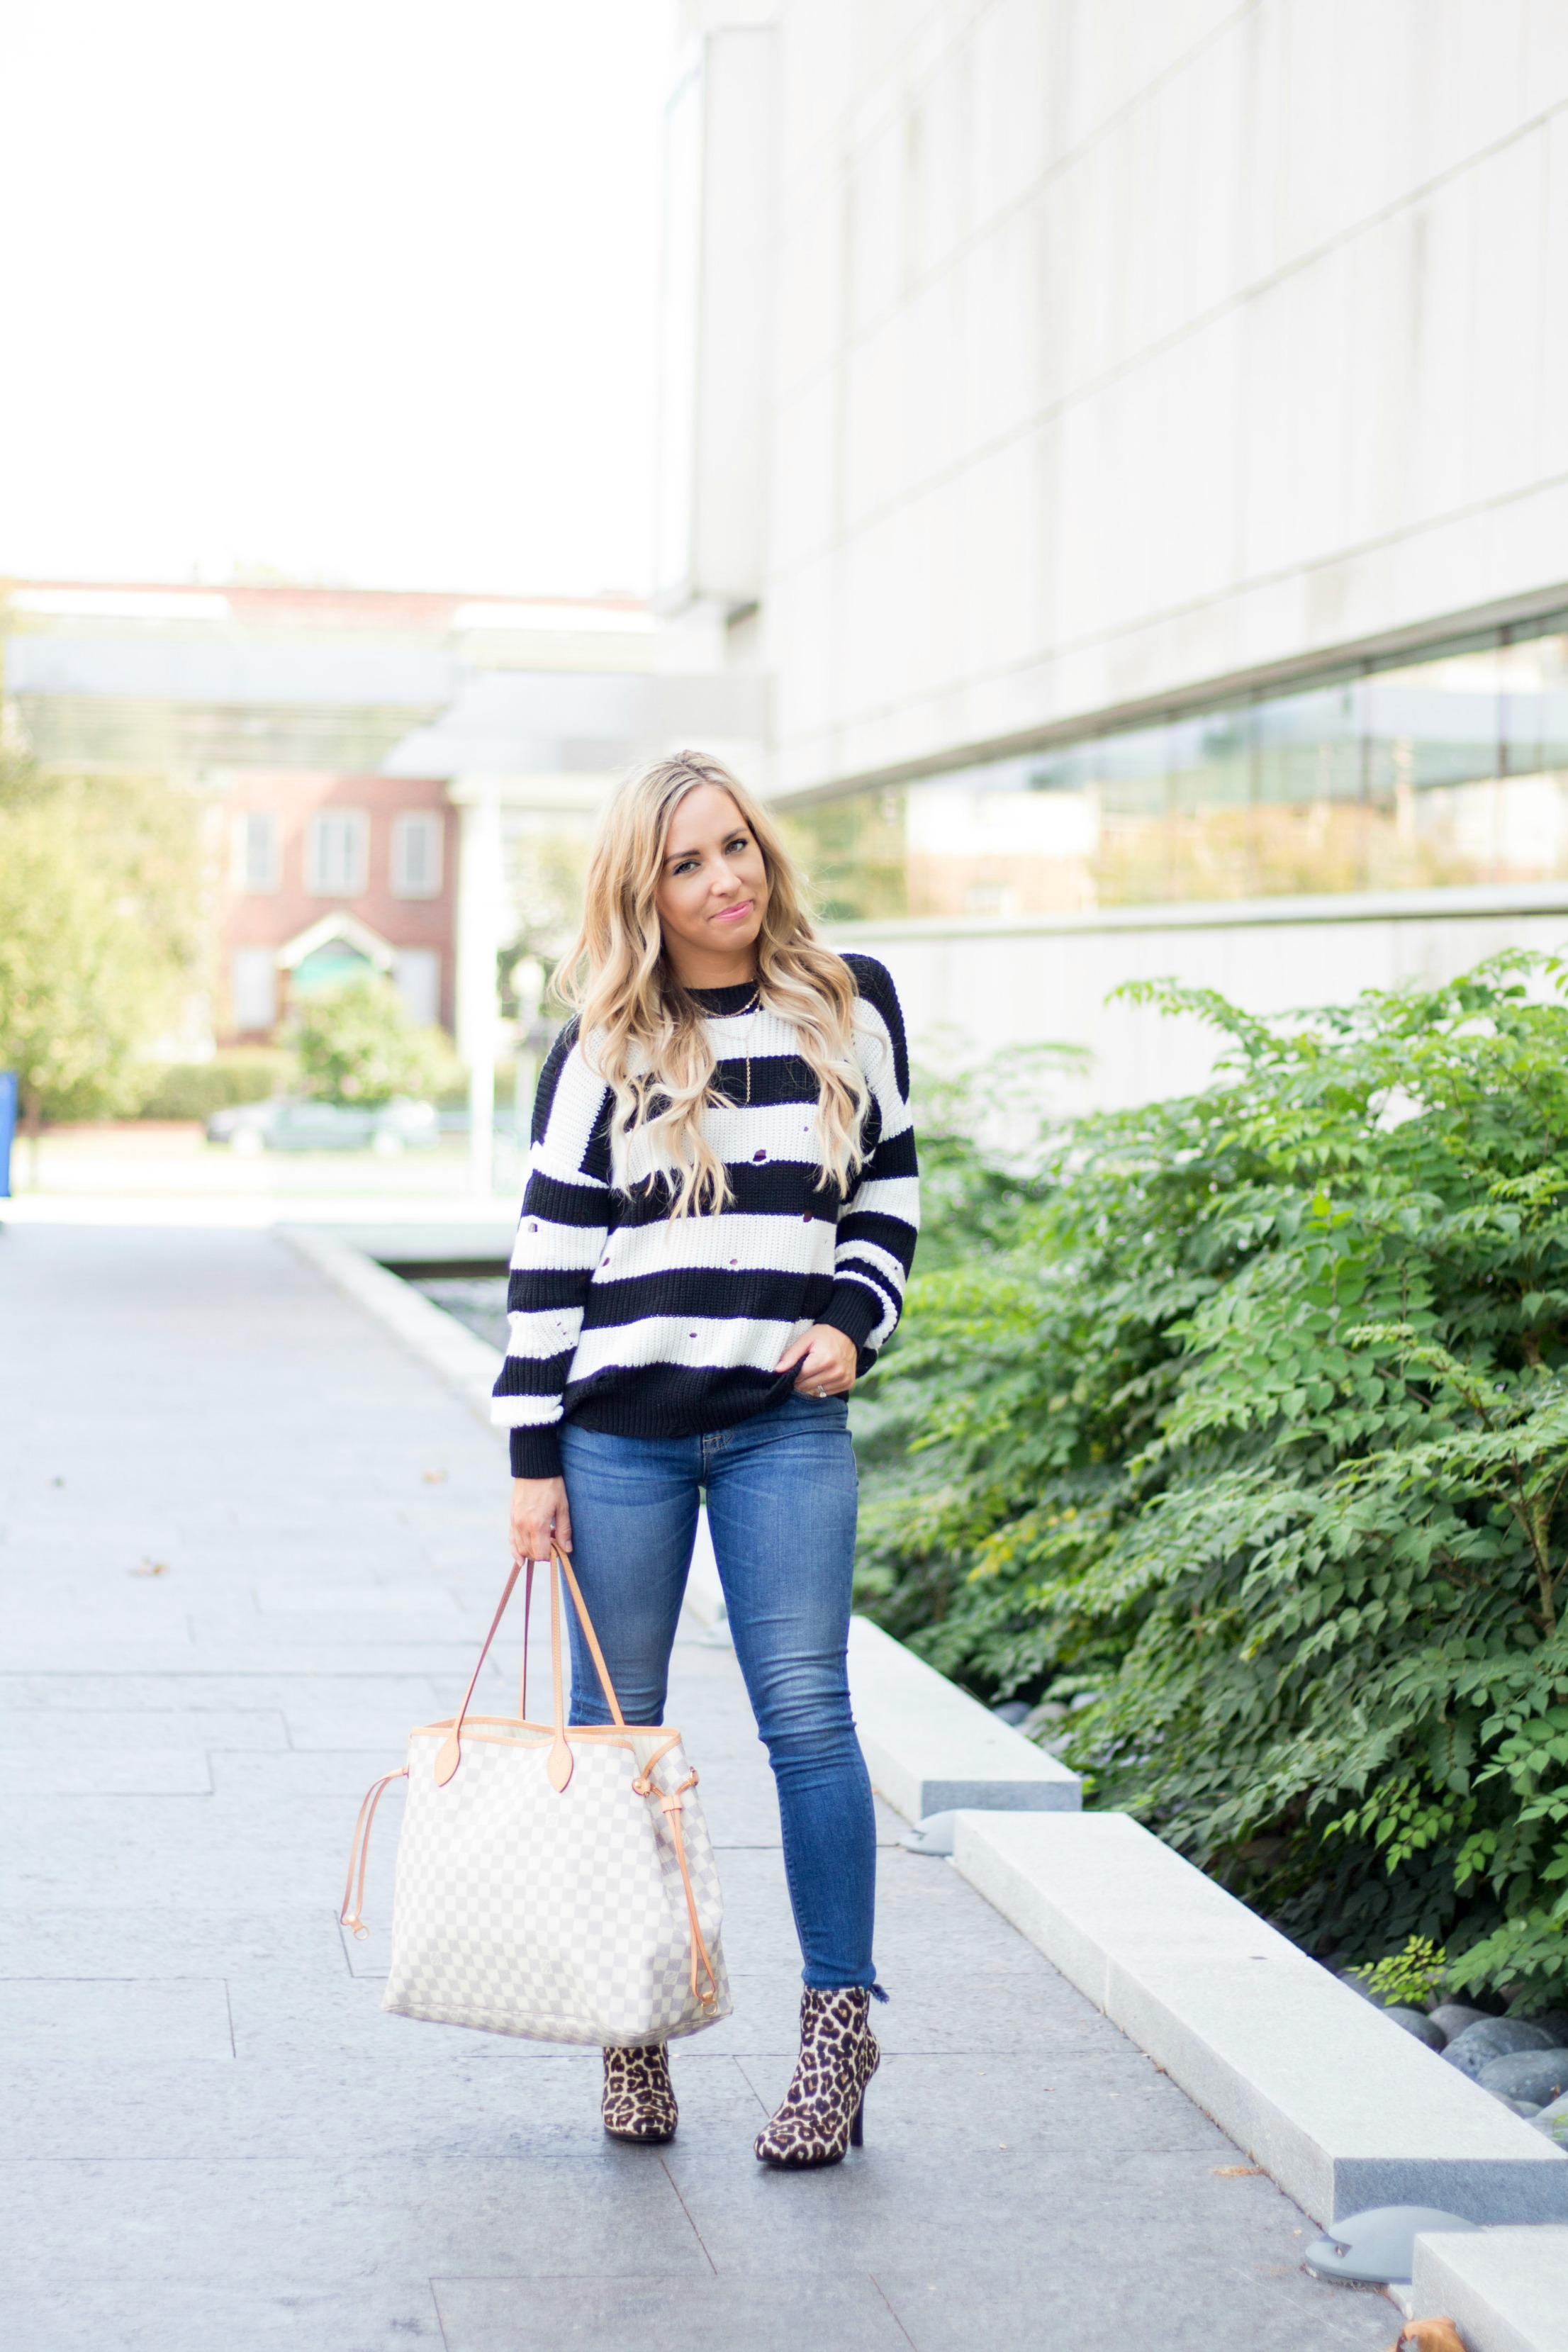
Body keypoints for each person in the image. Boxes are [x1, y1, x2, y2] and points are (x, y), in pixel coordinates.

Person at [493, 749, 919, 2168]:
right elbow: (551, 1256)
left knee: (808, 1722)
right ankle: (632, 2033)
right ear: (643, 887)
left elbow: (891, 1199)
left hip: (782, 1431)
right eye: (686, 862)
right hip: (616, 1440)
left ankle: (837, 2034)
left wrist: (855, 1318)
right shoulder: (604, 1042)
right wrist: (529, 1461)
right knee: (623, 1749)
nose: (723, 879)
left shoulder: (846, 1003)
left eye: (734, 846)